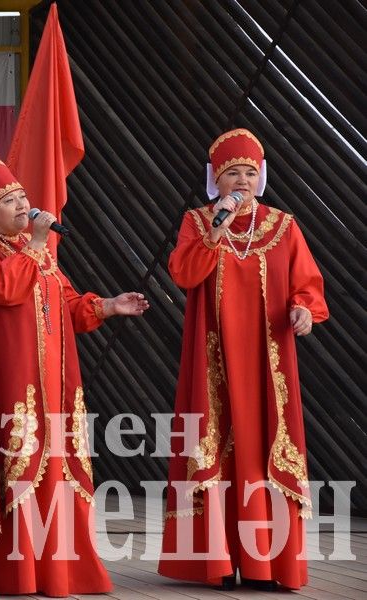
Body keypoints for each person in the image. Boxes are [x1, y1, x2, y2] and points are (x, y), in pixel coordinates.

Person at [0, 158, 149, 600]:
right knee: (9, 470)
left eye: (22, 198)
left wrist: (109, 305)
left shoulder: (35, 249)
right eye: (10, 201)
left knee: (54, 471)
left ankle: (57, 573)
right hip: (5, 388)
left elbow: (67, 304)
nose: (22, 206)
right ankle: (10, 575)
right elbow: (4, 287)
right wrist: (36, 243)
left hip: (53, 387)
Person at [158, 129, 329, 591]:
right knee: (214, 443)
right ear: (216, 179)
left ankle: (268, 564)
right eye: (232, 173)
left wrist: (303, 310)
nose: (242, 180)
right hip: (212, 355)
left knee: (263, 443)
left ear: (262, 177)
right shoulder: (197, 222)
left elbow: (307, 284)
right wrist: (218, 225)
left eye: (250, 172)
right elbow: (184, 272)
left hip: (266, 359)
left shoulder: (283, 226)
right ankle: (217, 561)